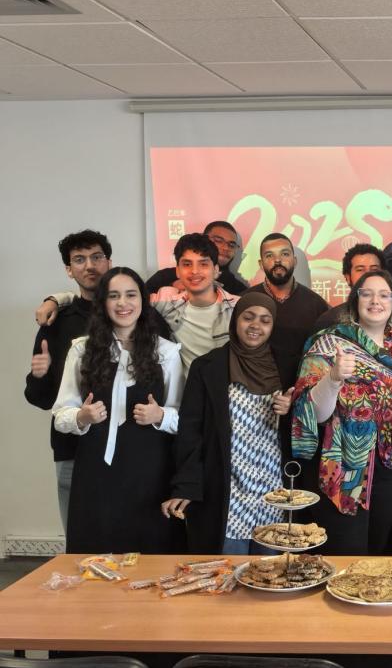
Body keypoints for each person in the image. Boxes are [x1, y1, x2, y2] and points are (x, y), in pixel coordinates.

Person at [52, 267, 184, 553]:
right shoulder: (82, 350)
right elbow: (60, 415)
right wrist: (81, 417)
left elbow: (183, 417)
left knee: (151, 553)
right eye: (114, 296)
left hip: (150, 473)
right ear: (103, 302)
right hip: (95, 471)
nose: (123, 303)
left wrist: (160, 416)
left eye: (130, 295)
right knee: (94, 552)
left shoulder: (166, 352)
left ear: (143, 301)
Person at [163, 293, 297, 555]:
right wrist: (187, 485)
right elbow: (190, 431)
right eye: (248, 317)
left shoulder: (287, 366)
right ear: (235, 320)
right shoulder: (207, 367)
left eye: (265, 320)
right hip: (226, 487)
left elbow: (308, 424)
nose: (255, 326)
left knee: (271, 568)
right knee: (228, 569)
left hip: (275, 487)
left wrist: (290, 411)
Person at [291, 270, 392, 554]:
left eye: (384, 295)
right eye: (366, 294)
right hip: (342, 464)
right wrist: (333, 378)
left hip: (388, 464)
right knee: (345, 552)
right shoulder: (329, 342)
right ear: (355, 300)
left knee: (380, 552)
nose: (375, 301)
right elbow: (312, 414)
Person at [38, 233, 238, 375]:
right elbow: (118, 298)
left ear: (216, 270)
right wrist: (57, 300)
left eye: (203, 264)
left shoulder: (239, 309)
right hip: (186, 403)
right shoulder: (166, 302)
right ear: (177, 270)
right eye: (187, 264)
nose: (195, 271)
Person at [25, 230, 112, 531]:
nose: (89, 266)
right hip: (71, 448)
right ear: (69, 269)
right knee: (79, 538)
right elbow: (41, 399)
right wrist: (38, 376)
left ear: (109, 262)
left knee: (126, 539)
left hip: (127, 447)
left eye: (96, 257)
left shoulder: (130, 313)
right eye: (79, 260)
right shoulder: (56, 322)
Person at [245, 233, 327, 384]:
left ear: (294, 261)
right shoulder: (245, 301)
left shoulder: (317, 305)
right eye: (269, 255)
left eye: (284, 254)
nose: (277, 260)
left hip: (302, 388)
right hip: (254, 387)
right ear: (261, 264)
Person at [146, 220, 248, 296]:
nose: (226, 248)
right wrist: (170, 288)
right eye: (218, 240)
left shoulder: (238, 289)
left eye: (231, 245)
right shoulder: (163, 277)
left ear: (216, 271)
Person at [314, 243, 384, 330]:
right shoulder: (330, 321)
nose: (368, 274)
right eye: (360, 270)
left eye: (374, 269)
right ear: (348, 278)